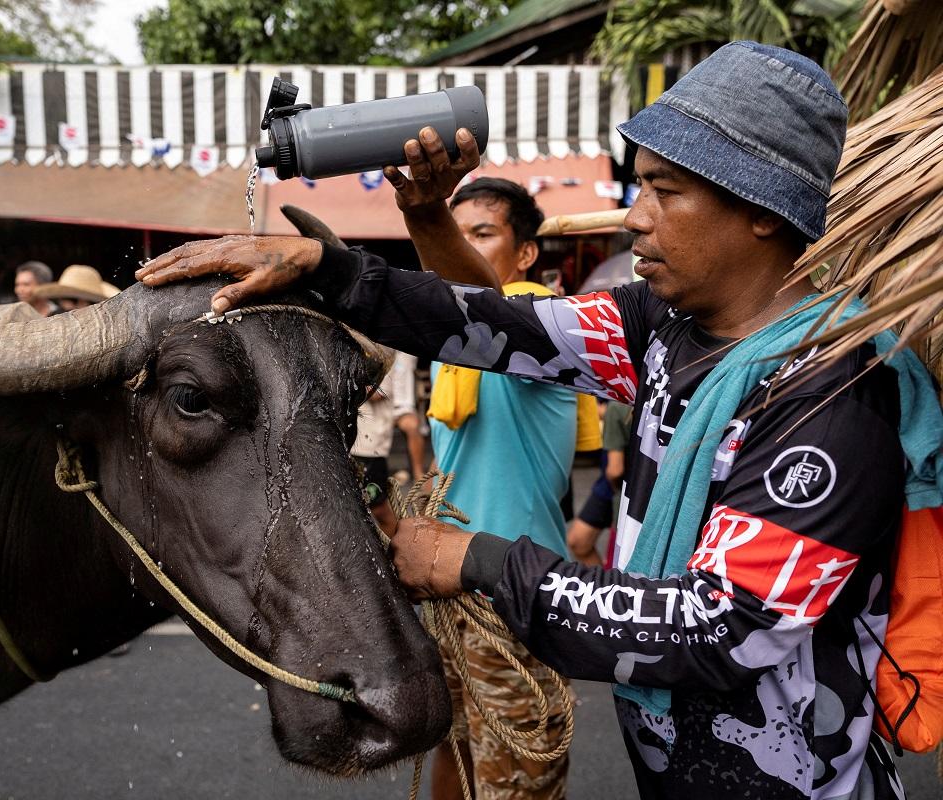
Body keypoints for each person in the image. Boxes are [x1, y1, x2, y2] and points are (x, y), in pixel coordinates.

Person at [138, 42, 943, 800]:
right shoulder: (656, 325)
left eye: (667, 191)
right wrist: (330, 268)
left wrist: (478, 562)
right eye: (641, 188)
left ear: (762, 210)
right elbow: (499, 326)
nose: (635, 218)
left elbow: (718, 629)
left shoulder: (834, 390)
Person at [396, 175, 579, 799]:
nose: (463, 247)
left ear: (525, 253)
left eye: (482, 234)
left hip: (512, 592)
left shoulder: (542, 330)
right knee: (457, 757)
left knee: (516, 787)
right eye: (454, 232)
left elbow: (483, 300)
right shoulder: (448, 349)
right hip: (444, 587)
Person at [353, 348, 421, 537]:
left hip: (370, 446)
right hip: (354, 443)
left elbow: (377, 392)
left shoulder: (385, 353)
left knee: (379, 508)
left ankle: (399, 554)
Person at [567, 400, 632, 567]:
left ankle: (604, 583)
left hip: (617, 490)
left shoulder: (617, 408)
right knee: (578, 541)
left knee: (615, 558)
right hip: (616, 488)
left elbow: (614, 470)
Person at [33, 264, 116, 313]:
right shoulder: (54, 315)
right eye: (61, 298)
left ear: (83, 302)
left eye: (69, 299)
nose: (63, 303)